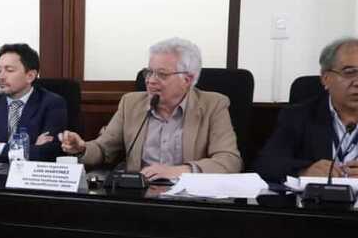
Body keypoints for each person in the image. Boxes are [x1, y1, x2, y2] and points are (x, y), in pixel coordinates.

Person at [59, 37, 242, 177]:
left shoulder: (213, 105)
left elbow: (229, 161)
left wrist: (179, 171)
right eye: (149, 72)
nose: (150, 80)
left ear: (188, 79)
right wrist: (82, 148)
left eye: (161, 74)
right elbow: (103, 149)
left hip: (190, 200)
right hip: (141, 197)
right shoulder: (130, 103)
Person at [255, 37, 358, 183]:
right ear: (326, 79)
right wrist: (304, 171)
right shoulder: (298, 116)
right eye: (349, 72)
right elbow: (266, 165)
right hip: (319, 203)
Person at [0, 44, 66, 161]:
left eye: (9, 70)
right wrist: (30, 149)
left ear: (30, 76)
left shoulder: (52, 104)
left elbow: (48, 153)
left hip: (31, 176)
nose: (1, 77)